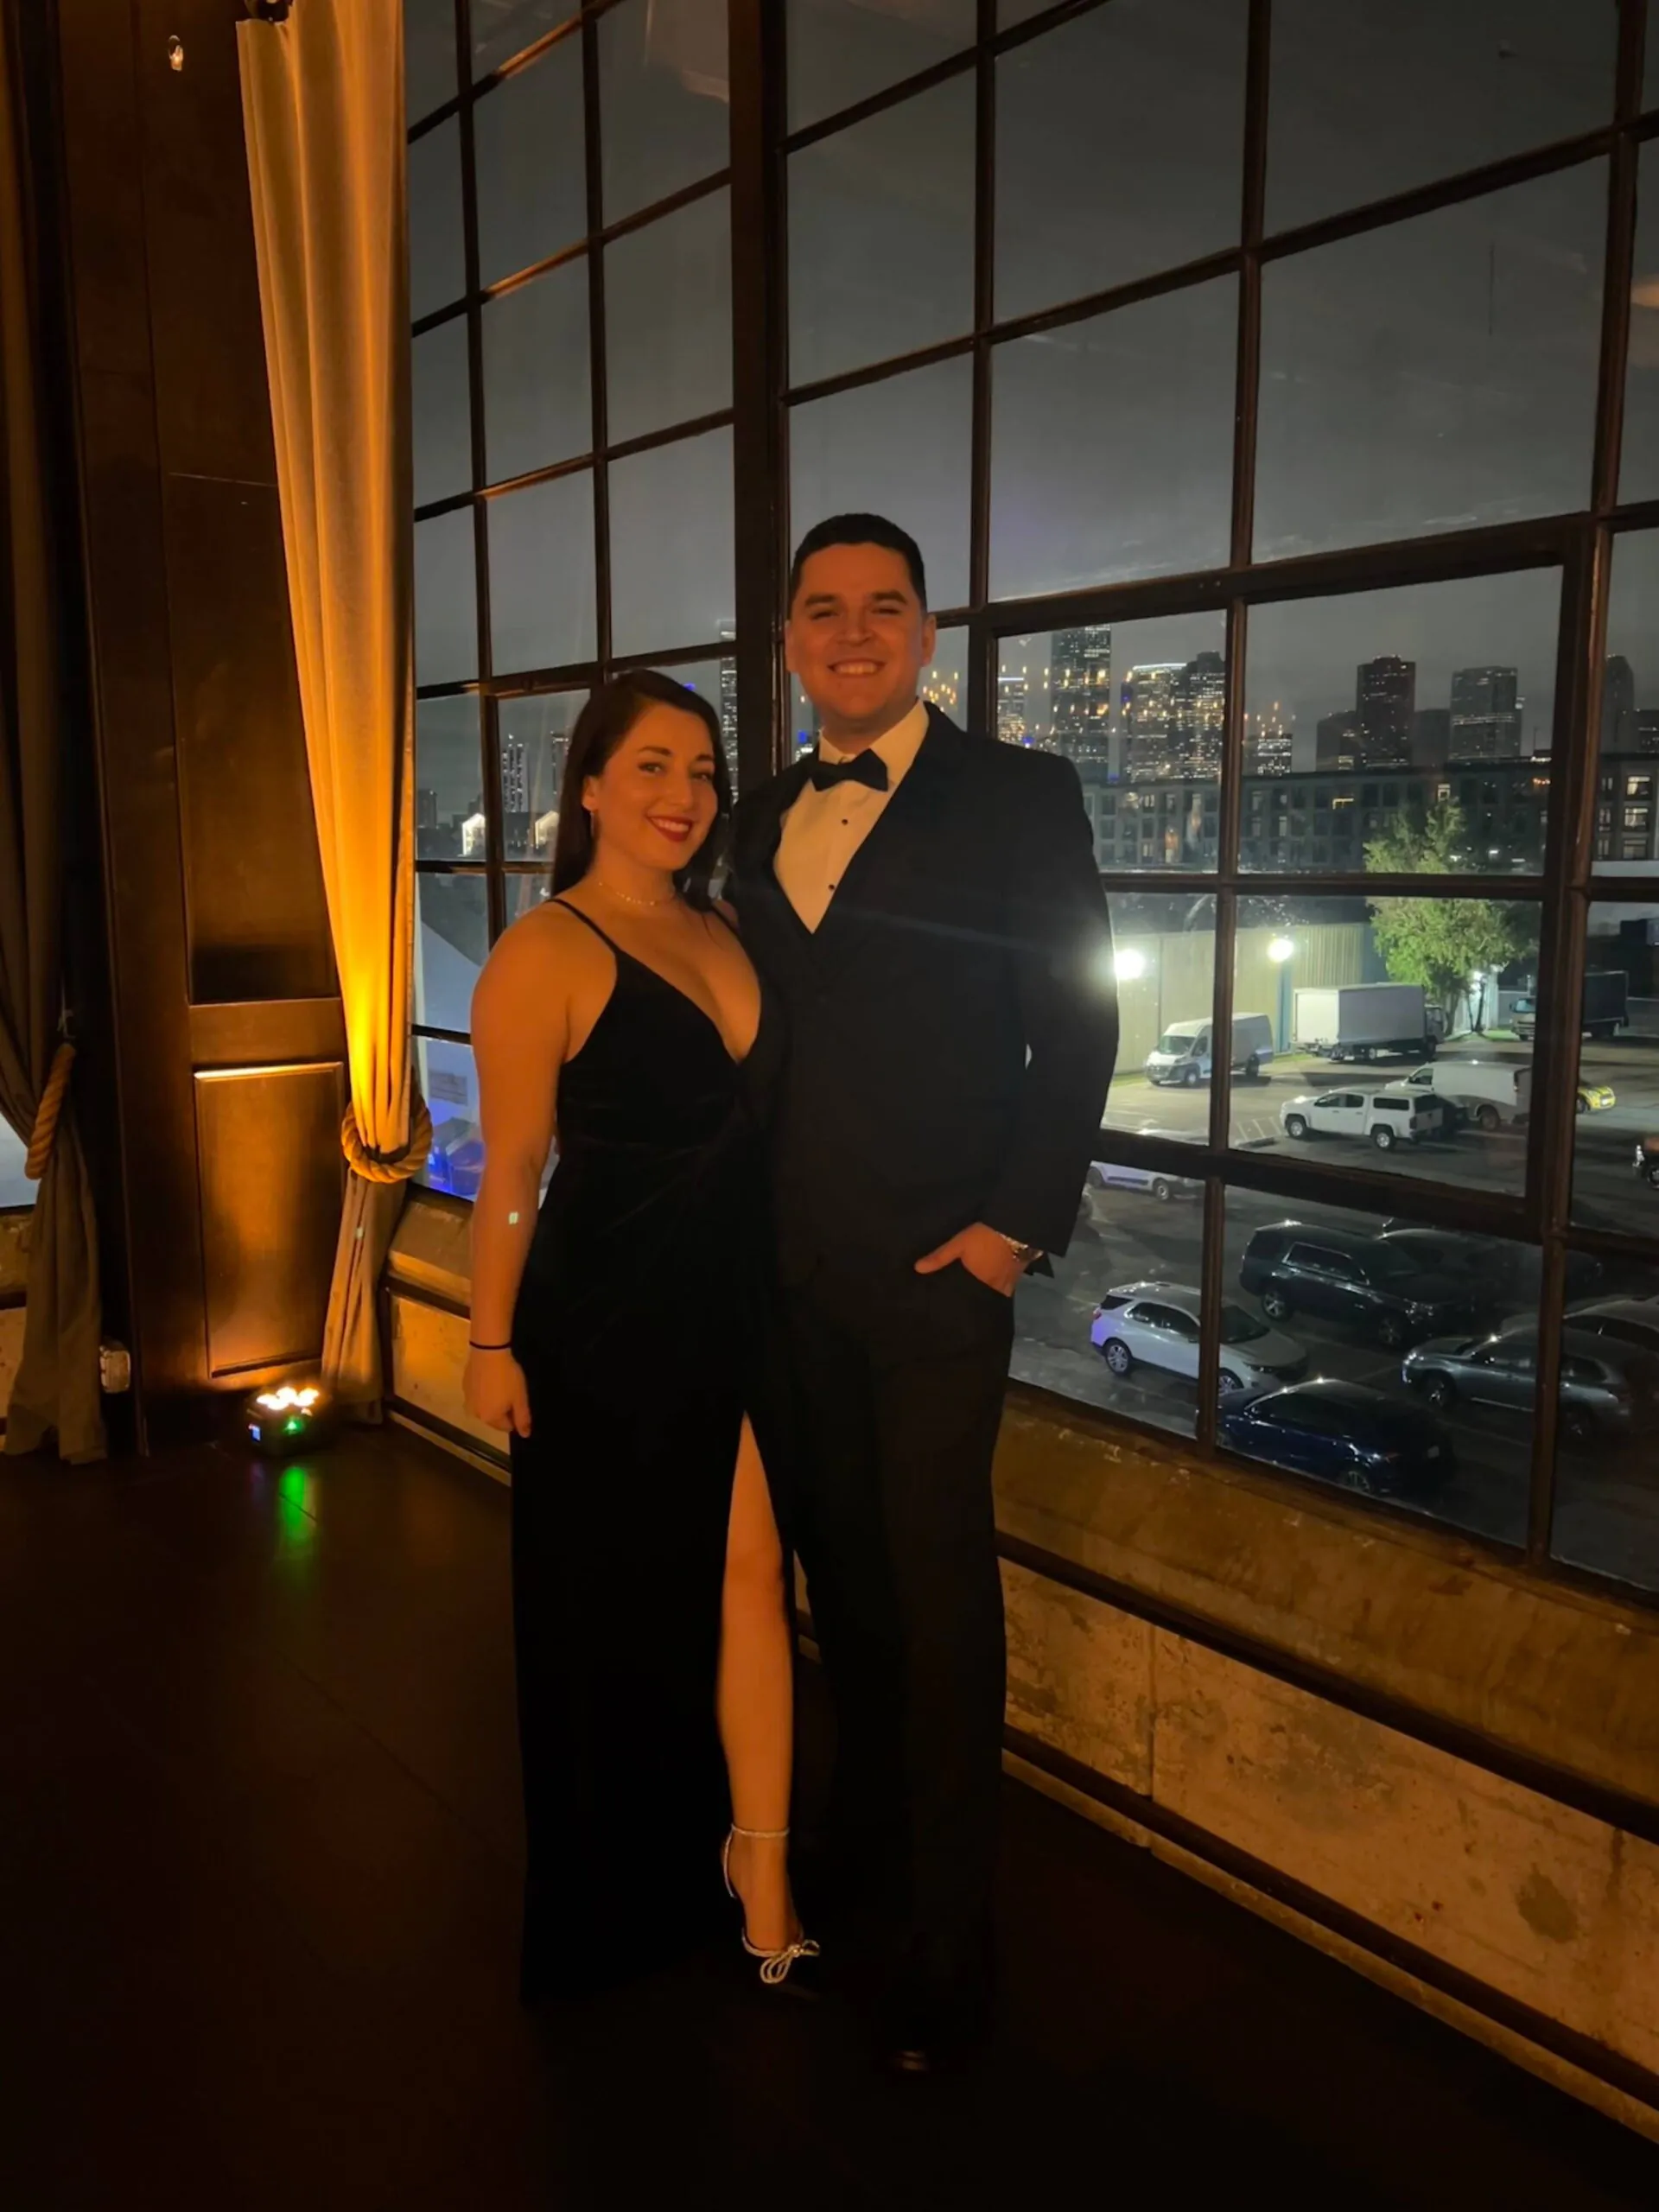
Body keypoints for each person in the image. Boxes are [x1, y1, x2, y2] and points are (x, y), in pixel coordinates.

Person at [729, 515, 1118, 2072]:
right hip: (790, 1277)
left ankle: (957, 1944)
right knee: (849, 1600)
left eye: (881, 608)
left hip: (940, 1280)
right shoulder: (756, 815)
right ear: (788, 642)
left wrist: (1009, 1231)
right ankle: (861, 1859)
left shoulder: (1020, 793)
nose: (851, 632)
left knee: (945, 1603)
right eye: (821, 611)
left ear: (926, 633)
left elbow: (1077, 1026)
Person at [464, 671, 817, 2000]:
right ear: (593, 787)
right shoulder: (544, 948)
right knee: (600, 1609)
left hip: (736, 1302)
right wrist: (489, 1344)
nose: (685, 795)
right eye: (653, 767)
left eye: (704, 771)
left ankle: (758, 1860)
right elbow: (512, 1171)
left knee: (745, 1579)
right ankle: (612, 1889)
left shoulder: (725, 926)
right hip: (603, 1317)